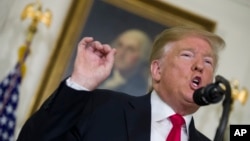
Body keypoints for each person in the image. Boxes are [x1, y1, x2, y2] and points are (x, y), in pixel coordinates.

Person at [17, 26, 225, 141]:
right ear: (157, 69)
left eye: (208, 62)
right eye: (188, 55)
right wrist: (80, 83)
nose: (200, 66)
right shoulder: (102, 107)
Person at [99, 29, 152, 95]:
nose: (121, 53)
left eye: (130, 49)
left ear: (142, 56)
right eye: (120, 45)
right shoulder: (100, 72)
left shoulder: (140, 89)